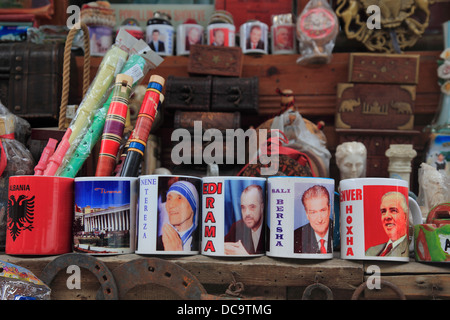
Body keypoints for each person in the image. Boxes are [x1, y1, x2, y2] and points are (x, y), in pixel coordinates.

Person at [157, 180, 199, 251]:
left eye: (179, 198)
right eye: (169, 199)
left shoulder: (201, 240)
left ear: (193, 205)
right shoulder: (160, 242)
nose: (171, 205)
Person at [365, 191, 409, 257]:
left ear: (405, 217)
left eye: (393, 210)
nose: (387, 216)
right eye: (383, 211)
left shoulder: (407, 251)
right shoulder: (370, 251)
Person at [224, 184, 264, 255]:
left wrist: (244, 254)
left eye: (252, 207)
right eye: (243, 208)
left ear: (262, 207)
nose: (247, 213)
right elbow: (219, 246)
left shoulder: (272, 232)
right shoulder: (237, 227)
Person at [293, 185, 333, 254]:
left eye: (323, 210)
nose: (319, 219)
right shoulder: (296, 238)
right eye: (313, 212)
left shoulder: (338, 231)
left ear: (329, 210)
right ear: (307, 214)